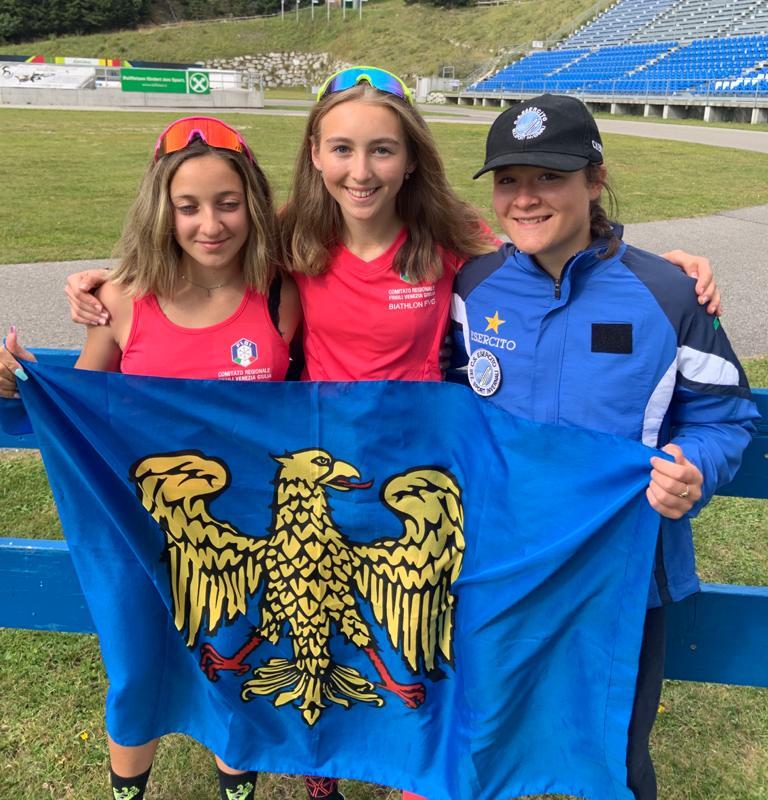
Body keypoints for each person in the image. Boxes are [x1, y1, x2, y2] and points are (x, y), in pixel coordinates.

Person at [60, 70, 723, 800]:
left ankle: (418, 777)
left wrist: (666, 267)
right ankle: (321, 774)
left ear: (410, 159)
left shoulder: (450, 239)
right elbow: (206, 241)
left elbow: (540, 244)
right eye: (342, 148)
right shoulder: (292, 238)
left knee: (418, 639)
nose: (361, 170)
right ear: (316, 155)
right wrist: (106, 285)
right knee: (319, 628)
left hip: (421, 477)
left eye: (382, 149)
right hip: (330, 470)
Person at [445, 93, 760, 800]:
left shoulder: (668, 293)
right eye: (508, 180)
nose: (525, 198)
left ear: (595, 180)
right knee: (487, 741)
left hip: (621, 577)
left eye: (549, 177)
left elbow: (726, 418)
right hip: (502, 568)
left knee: (613, 759)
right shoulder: (474, 287)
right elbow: (446, 404)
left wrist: (694, 467)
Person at [0, 116, 305, 800]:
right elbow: (82, 409)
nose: (209, 224)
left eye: (228, 203)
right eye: (187, 206)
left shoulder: (281, 296)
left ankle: (236, 784)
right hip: (140, 536)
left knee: (236, 671)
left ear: (253, 204)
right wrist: (21, 383)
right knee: (137, 671)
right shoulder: (122, 299)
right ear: (160, 208)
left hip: (246, 537)